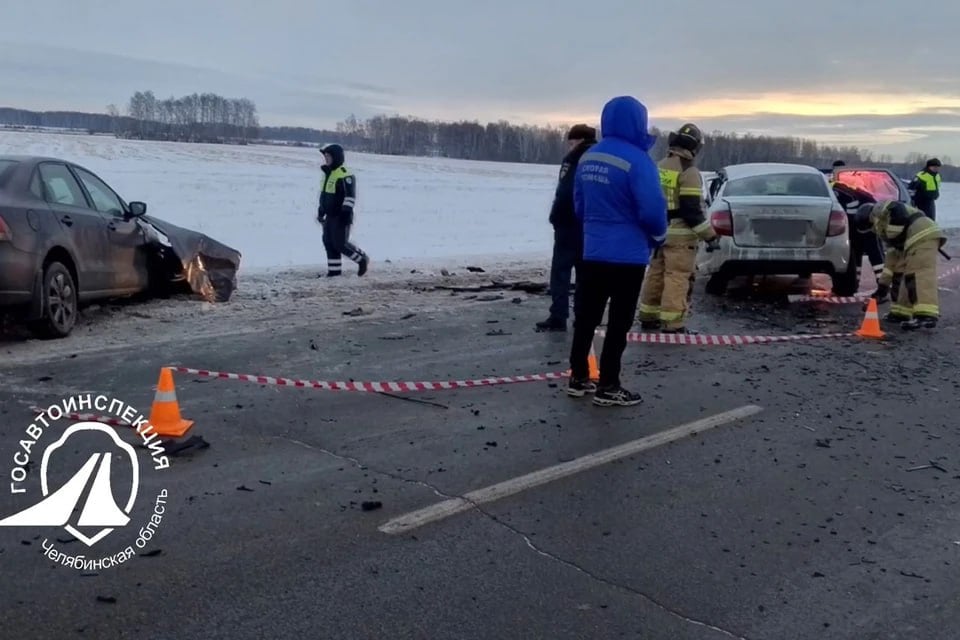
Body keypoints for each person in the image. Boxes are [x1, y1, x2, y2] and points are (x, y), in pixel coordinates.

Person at [567, 96, 667, 407]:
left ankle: (578, 377)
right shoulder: (638, 161)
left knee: (586, 316)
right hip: (627, 256)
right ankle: (609, 385)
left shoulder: (588, 157)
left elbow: (579, 205)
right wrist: (659, 236)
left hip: (592, 250)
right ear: (638, 122)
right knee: (619, 322)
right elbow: (652, 210)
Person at [637, 123, 719, 333]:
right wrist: (709, 236)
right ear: (694, 147)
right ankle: (673, 323)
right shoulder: (688, 171)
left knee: (655, 273)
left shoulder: (660, 166)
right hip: (681, 237)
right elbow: (692, 210)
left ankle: (648, 315)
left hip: (658, 232)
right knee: (677, 276)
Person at [536, 124, 598, 332]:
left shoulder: (573, 159)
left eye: (571, 143)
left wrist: (556, 216)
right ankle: (582, 316)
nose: (569, 147)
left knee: (561, 272)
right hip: (588, 225)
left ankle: (558, 316)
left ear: (579, 141)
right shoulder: (599, 159)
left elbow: (565, 192)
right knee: (584, 274)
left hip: (568, 223)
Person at [855, 200, 946, 329]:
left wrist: (893, 234)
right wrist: (882, 288)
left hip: (923, 236)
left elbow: (897, 208)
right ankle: (900, 312)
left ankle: (926, 315)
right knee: (900, 273)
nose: (873, 231)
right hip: (910, 241)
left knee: (918, 274)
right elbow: (890, 263)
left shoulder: (880, 210)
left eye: (870, 228)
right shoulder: (885, 230)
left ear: (869, 220)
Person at [317, 143, 370, 277]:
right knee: (329, 243)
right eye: (325, 156)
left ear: (336, 157)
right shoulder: (328, 174)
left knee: (340, 244)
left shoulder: (345, 175)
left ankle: (361, 259)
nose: (326, 159)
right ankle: (334, 272)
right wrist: (321, 211)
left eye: (328, 156)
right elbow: (324, 195)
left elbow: (350, 197)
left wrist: (345, 213)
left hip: (341, 216)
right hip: (329, 216)